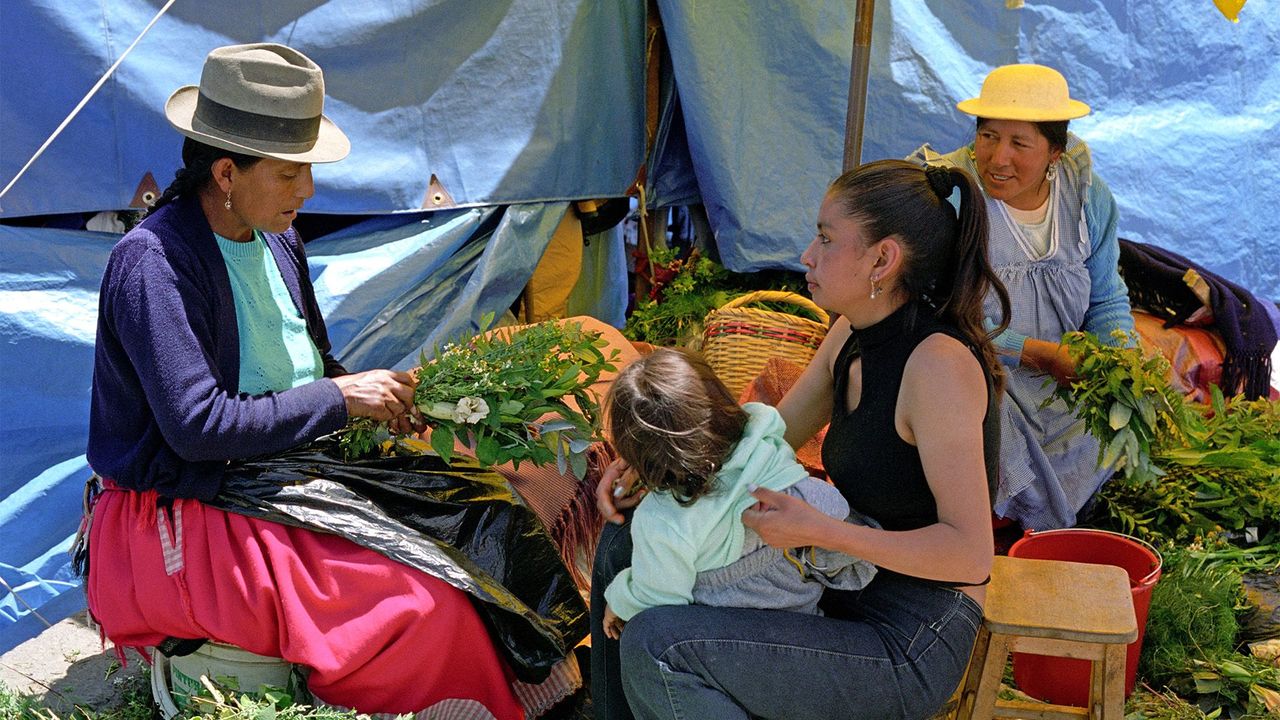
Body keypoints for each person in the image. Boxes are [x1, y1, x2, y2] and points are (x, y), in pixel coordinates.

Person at [81, 43, 528, 718]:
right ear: (226, 173)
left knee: (484, 512)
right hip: (186, 505)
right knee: (419, 598)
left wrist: (378, 401)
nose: (308, 191)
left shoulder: (278, 235)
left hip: (278, 475)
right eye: (291, 172)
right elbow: (197, 429)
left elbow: (310, 366)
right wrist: (341, 400)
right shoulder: (153, 265)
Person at [591, 159, 1009, 720]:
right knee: (625, 547)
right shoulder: (851, 333)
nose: (808, 255)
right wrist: (663, 466)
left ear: (882, 258)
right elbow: (761, 439)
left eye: (826, 238)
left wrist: (822, 530)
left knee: (661, 647)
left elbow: (970, 554)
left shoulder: (938, 366)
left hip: (912, 632)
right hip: (834, 577)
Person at [909, 63, 1136, 530]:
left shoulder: (1088, 197)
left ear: (1055, 150)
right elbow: (924, 310)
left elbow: (1107, 299)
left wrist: (1117, 367)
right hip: (971, 369)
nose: (998, 159)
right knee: (985, 431)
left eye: (1019, 143)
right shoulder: (946, 195)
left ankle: (1041, 527)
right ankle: (982, 530)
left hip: (1061, 376)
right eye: (988, 136)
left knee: (1110, 424)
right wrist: (1032, 353)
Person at [598, 348, 876, 641]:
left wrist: (618, 600)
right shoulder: (761, 437)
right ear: (722, 404)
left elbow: (658, 594)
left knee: (643, 632)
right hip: (801, 606)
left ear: (635, 455)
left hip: (733, 627)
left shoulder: (662, 519)